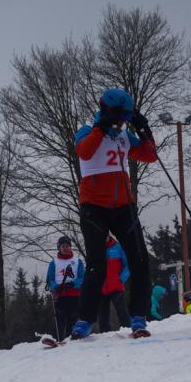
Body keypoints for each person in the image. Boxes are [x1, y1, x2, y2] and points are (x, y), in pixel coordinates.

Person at [71, 88, 157, 339]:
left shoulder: (124, 136)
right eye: (120, 117)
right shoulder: (87, 130)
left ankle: (138, 317)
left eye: (126, 117)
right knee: (97, 263)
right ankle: (84, 321)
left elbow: (150, 156)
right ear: (106, 111)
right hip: (94, 207)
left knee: (140, 258)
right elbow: (84, 151)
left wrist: (143, 129)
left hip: (123, 207)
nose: (122, 122)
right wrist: (102, 127)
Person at [46, 235, 85, 341]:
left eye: (67, 246)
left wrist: (73, 284)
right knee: (59, 319)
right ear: (59, 247)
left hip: (74, 295)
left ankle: (71, 338)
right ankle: (57, 339)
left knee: (73, 318)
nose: (65, 248)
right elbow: (50, 279)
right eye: (63, 246)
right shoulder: (54, 263)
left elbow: (82, 277)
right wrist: (55, 287)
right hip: (60, 296)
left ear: (70, 247)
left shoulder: (77, 261)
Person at [98, 235, 131, 332]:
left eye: (105, 235)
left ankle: (127, 329)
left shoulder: (118, 247)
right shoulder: (96, 247)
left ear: (108, 235)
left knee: (121, 309)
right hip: (102, 286)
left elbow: (127, 265)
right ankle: (104, 333)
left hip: (116, 285)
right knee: (102, 312)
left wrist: (121, 279)